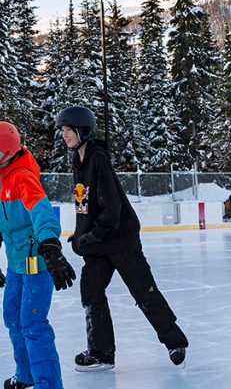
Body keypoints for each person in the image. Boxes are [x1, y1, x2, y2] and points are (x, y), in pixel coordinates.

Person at [56, 106, 189, 371]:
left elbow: (112, 207)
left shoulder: (98, 158)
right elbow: (85, 203)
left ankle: (175, 341)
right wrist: (80, 235)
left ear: (83, 130)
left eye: (69, 129)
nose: (65, 135)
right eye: (62, 130)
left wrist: (92, 236)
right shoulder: (78, 160)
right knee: (91, 292)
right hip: (96, 242)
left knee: (143, 291)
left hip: (120, 239)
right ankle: (102, 352)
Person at [0, 120, 76, 389]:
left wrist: (51, 248)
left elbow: (42, 212)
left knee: (33, 322)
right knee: (12, 318)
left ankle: (50, 387)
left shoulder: (21, 177)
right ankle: (27, 374)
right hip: (17, 263)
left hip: (38, 263)